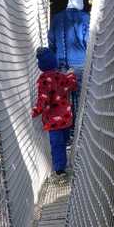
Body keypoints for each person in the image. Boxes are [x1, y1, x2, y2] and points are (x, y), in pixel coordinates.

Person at [31, 48, 77, 178]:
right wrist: (71, 74)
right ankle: (66, 161)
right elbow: (72, 85)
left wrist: (34, 112)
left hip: (53, 121)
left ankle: (60, 170)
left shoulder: (44, 81)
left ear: (40, 66)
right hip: (66, 119)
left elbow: (43, 101)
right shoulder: (61, 77)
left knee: (56, 145)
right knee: (64, 141)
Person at [48, 0, 90, 129]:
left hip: (61, 66)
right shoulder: (85, 18)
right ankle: (79, 129)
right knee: (80, 97)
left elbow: (52, 42)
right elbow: (88, 40)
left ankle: (67, 128)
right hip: (81, 65)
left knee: (64, 99)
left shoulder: (56, 18)